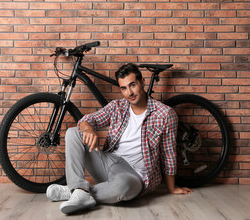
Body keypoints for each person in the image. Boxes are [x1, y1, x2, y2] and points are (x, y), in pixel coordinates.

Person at [46, 63, 192, 214]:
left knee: (124, 186)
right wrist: (87, 128)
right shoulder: (117, 106)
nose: (129, 92)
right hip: (108, 162)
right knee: (73, 133)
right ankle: (78, 188)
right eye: (124, 88)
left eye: (133, 85)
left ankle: (76, 191)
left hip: (134, 175)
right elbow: (89, 119)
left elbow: (168, 153)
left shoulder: (165, 114)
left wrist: (171, 188)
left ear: (142, 82)